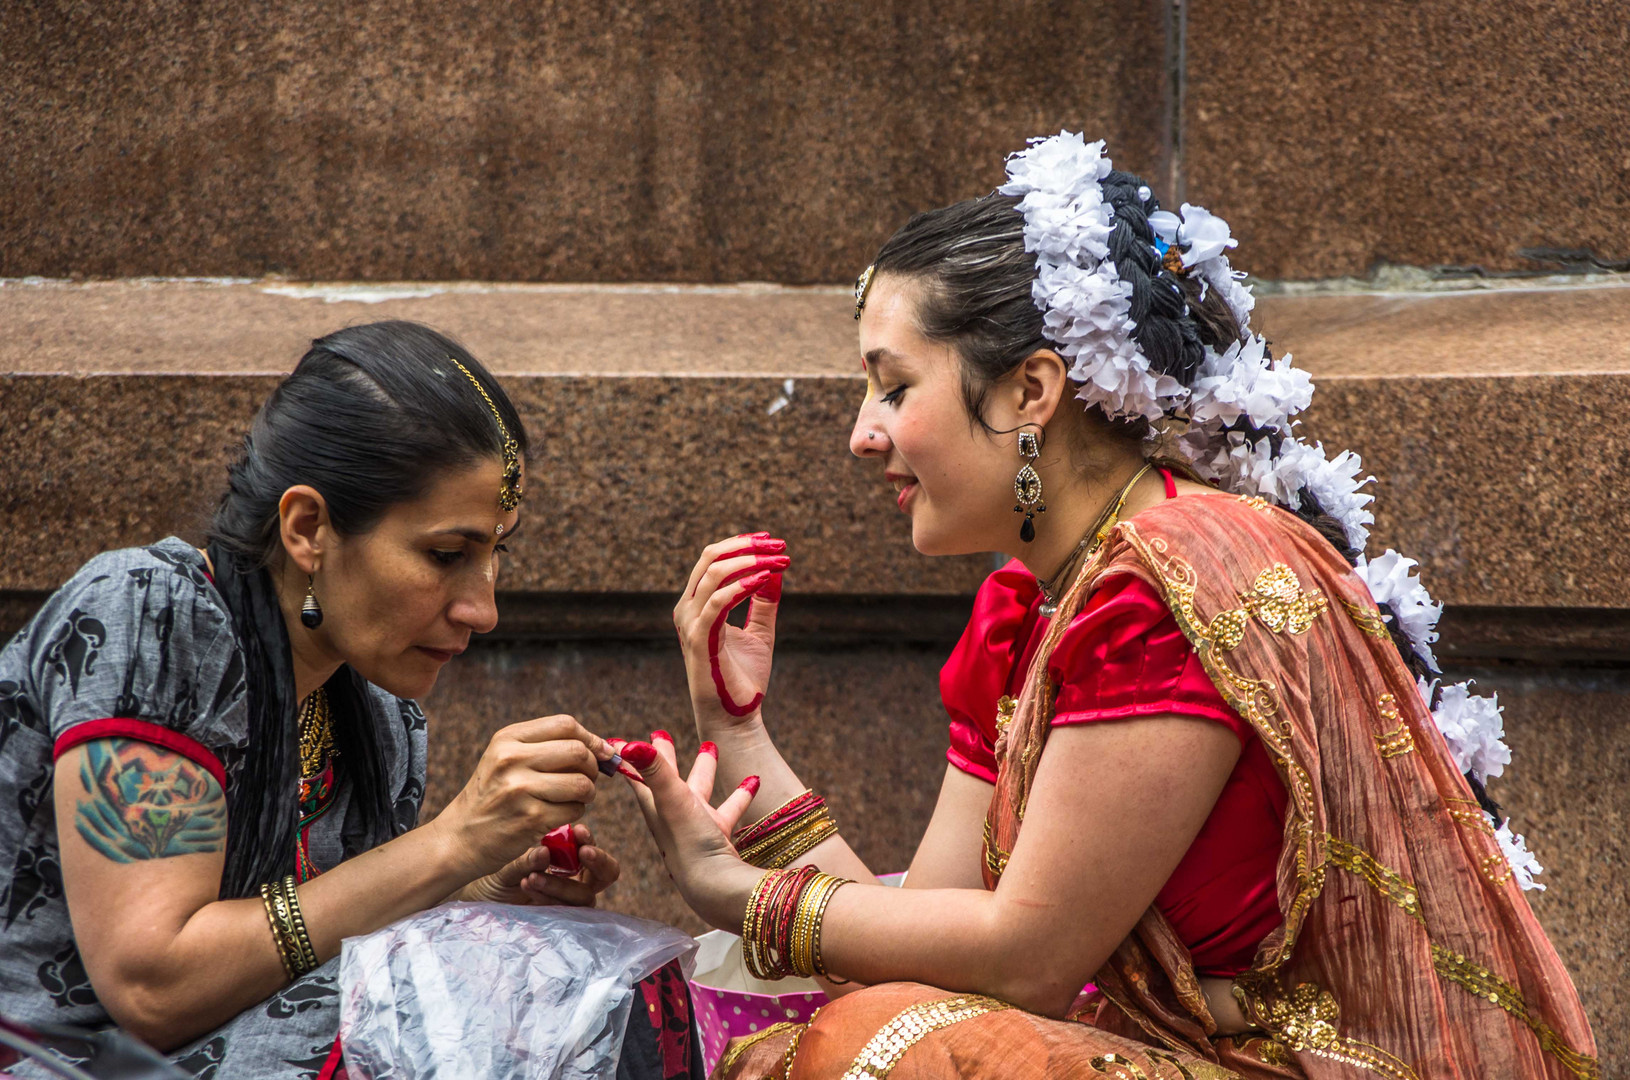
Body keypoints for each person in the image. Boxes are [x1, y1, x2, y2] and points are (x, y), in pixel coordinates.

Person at [615, 134, 1599, 1078]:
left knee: (885, 1045)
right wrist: (736, 730)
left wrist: (735, 896)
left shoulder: (1169, 585)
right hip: (1170, 1049)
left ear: (1030, 391)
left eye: (893, 386)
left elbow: (1025, 954)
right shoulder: (1029, 604)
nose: (862, 436)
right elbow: (931, 939)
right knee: (880, 1020)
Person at [0, 322, 700, 1079]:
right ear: (308, 528)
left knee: (601, 990)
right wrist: (449, 845)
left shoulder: (377, 713)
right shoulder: (152, 617)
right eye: (446, 555)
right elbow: (154, 985)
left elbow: (333, 952)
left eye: (498, 555)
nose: (483, 609)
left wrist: (480, 891)